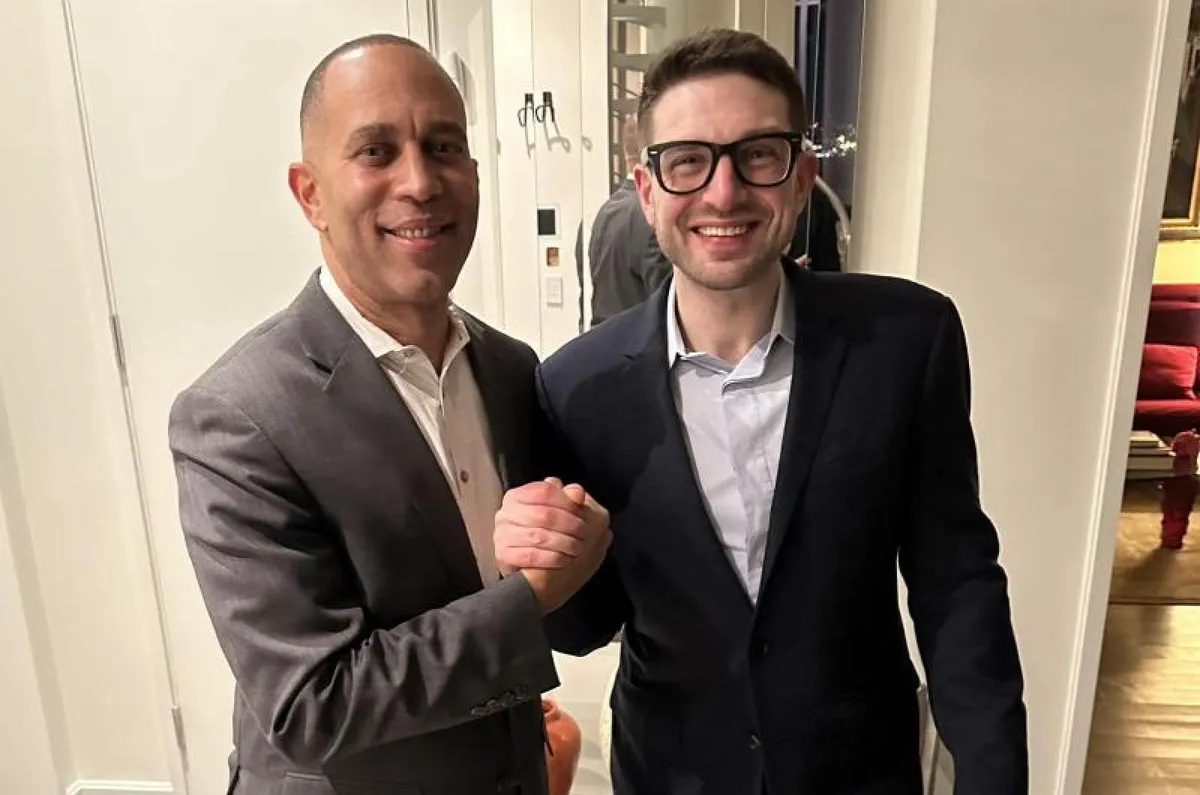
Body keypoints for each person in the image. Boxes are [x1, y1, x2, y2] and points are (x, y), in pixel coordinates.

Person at [497, 28, 1028, 795]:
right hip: (672, 774)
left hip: (859, 773)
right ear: (647, 192)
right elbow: (586, 627)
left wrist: (992, 776)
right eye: (688, 160)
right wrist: (540, 568)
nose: (723, 192)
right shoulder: (576, 387)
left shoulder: (907, 340)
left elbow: (957, 582)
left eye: (758, 154)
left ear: (803, 177)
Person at [168, 34, 609, 795]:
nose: (421, 181)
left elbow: (555, 609)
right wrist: (527, 598)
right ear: (310, 193)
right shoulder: (237, 417)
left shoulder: (510, 369)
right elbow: (312, 704)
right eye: (376, 152)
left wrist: (571, 552)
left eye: (443, 147)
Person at [586, 116, 673, 327]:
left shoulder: (601, 213)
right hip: (642, 338)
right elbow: (666, 303)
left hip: (605, 337)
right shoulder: (653, 216)